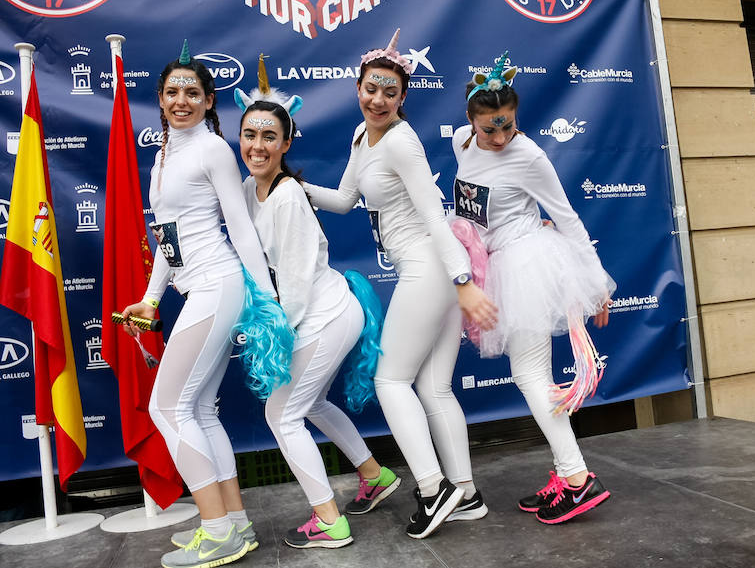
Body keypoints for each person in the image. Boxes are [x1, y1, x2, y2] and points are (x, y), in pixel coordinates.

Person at [302, 29, 498, 539]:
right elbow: (345, 200)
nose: (379, 99)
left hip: (432, 267)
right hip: (428, 270)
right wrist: (294, 185)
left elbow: (436, 217)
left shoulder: (403, 141)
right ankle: (467, 493)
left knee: (391, 382)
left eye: (390, 92)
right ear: (358, 86)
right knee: (433, 387)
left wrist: (462, 281)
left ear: (403, 97)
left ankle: (434, 491)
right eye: (372, 88)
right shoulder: (360, 137)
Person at [120, 41, 281, 568]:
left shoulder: (212, 148)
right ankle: (233, 522)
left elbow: (237, 225)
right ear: (161, 101)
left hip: (219, 284)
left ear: (210, 101)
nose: (181, 100)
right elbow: (169, 238)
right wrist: (149, 299)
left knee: (168, 408)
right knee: (200, 409)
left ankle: (215, 530)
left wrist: (267, 300)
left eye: (193, 92)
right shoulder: (163, 156)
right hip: (197, 287)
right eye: (172, 92)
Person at [231, 65, 401, 549]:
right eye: (249, 135)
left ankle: (328, 519)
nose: (257, 146)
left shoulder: (287, 197)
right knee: (313, 404)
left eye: (269, 137)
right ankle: (374, 475)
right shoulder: (248, 189)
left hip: (322, 315)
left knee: (282, 417)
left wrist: (276, 334)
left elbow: (298, 281)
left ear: (286, 144)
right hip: (316, 312)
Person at [450, 52, 616, 525]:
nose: (501, 138)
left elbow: (567, 218)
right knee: (533, 376)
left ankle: (578, 478)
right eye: (490, 129)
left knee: (529, 375)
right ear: (470, 121)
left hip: (526, 266)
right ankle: (569, 474)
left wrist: (596, 282)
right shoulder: (463, 144)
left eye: (509, 127)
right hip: (493, 267)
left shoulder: (529, 154)